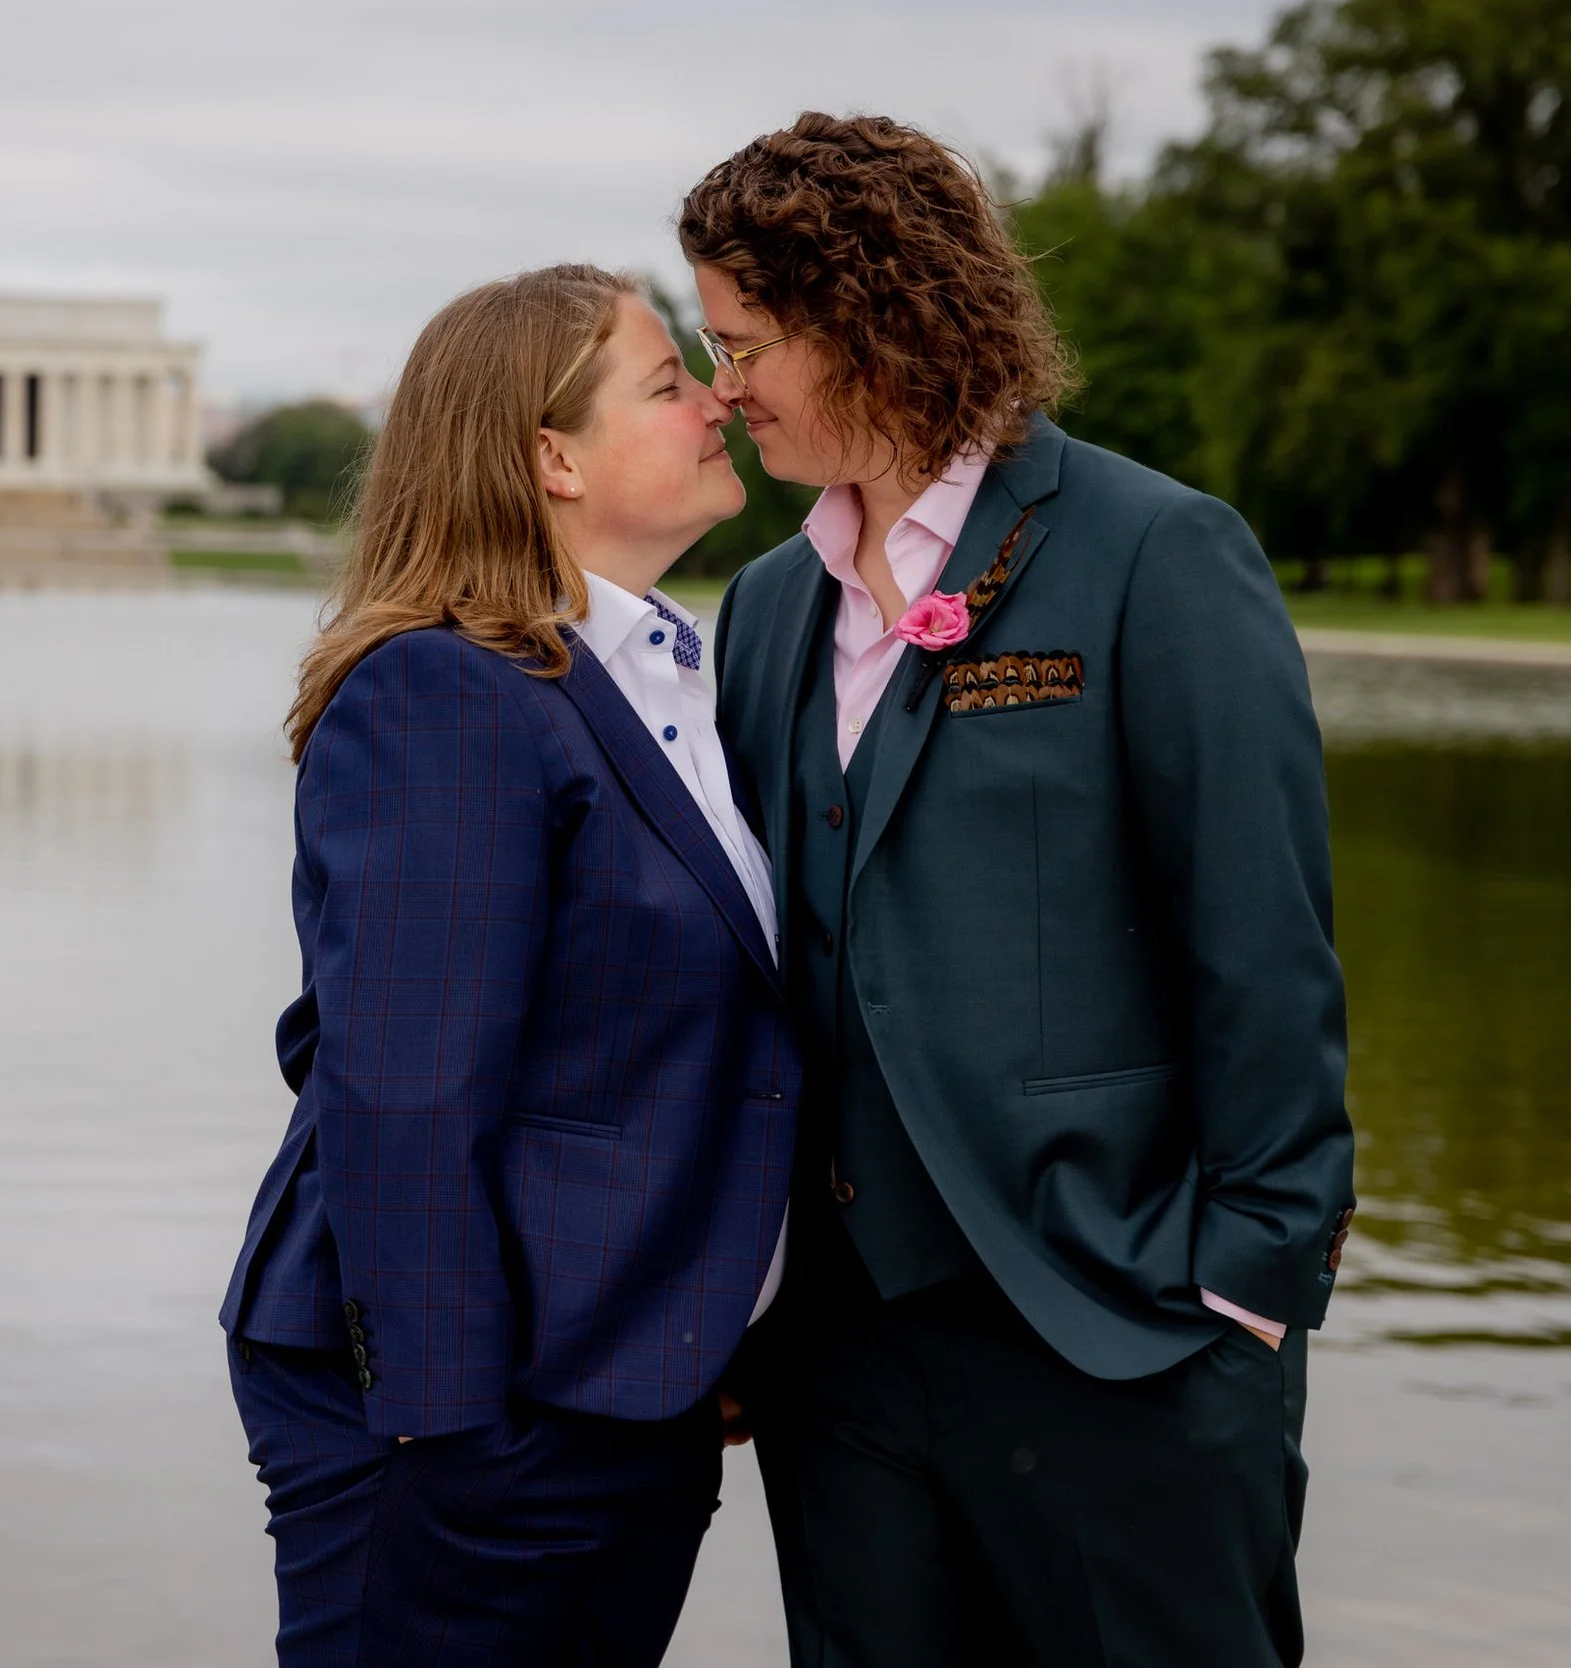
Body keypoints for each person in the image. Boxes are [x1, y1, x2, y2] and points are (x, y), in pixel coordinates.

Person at [682, 114, 1356, 1667]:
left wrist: (1245, 1297)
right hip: (840, 1369)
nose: (725, 389)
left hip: (1122, 1334)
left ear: (864, 323)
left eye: (746, 342)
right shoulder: (770, 608)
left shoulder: (1156, 555)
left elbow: (1263, 952)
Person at [218, 264, 802, 1667]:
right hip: (478, 1430)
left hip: (620, 1392)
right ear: (551, 455)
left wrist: (692, 1319)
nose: (717, 398)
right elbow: (399, 1090)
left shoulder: (657, 680)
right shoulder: (446, 690)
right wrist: (451, 1434)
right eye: (669, 384)